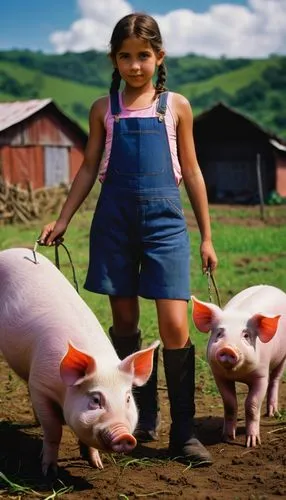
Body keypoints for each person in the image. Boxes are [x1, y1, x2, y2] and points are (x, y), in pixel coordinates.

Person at [39, 12, 218, 465]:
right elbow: (86, 168)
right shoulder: (104, 109)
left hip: (166, 226)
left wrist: (207, 237)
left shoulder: (176, 106)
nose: (135, 65)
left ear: (159, 57)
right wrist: (63, 219)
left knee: (175, 327)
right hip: (114, 225)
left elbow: (193, 171)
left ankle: (183, 432)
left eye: (144, 56)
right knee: (123, 324)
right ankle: (140, 413)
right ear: (114, 60)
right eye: (125, 56)